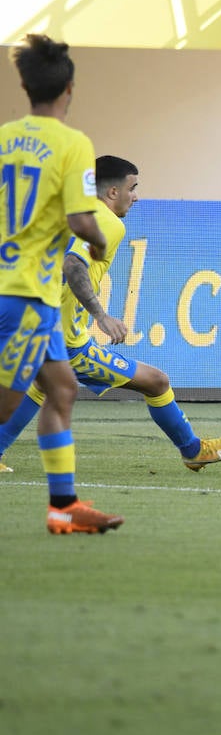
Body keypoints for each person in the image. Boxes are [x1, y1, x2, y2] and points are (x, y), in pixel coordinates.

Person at [0, 156, 221, 472]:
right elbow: (73, 265)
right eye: (133, 188)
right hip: (63, 340)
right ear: (113, 192)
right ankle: (194, 450)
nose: (137, 196)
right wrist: (101, 315)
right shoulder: (105, 221)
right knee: (156, 382)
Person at [0, 34, 117, 534]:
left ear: (25, 85)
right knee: (5, 403)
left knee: (63, 389)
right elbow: (81, 218)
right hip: (25, 292)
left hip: (32, 291)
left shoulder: (5, 137)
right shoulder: (74, 144)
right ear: (69, 88)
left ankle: (62, 506)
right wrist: (97, 247)